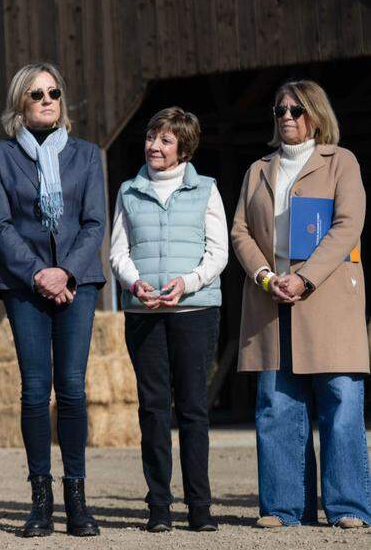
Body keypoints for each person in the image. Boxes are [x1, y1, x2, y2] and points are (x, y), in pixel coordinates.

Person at [230, 79, 370, 530]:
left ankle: (348, 507)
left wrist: (305, 277)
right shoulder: (257, 170)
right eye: (280, 110)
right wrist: (266, 276)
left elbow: (348, 225)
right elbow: (240, 232)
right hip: (271, 299)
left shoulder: (341, 162)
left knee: (340, 399)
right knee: (277, 403)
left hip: (327, 298)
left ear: (316, 114)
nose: (286, 117)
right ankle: (284, 508)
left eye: (296, 110)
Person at [0, 62, 106, 537]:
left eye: (53, 92)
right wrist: (39, 274)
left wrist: (66, 271)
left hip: (78, 282)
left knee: (72, 388)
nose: (47, 100)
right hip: (25, 284)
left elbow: (94, 222)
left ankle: (77, 500)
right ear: (20, 102)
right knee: (35, 390)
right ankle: (41, 502)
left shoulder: (86, 154)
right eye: (36, 94)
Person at [109, 107, 226, 533]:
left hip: (195, 311)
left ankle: (200, 507)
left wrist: (187, 283)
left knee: (193, 408)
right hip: (145, 313)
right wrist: (134, 283)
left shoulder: (206, 189)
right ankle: (159, 506)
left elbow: (218, 252)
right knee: (153, 409)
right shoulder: (128, 191)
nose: (154, 146)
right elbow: (118, 250)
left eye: (165, 140)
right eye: (150, 138)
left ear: (184, 148)